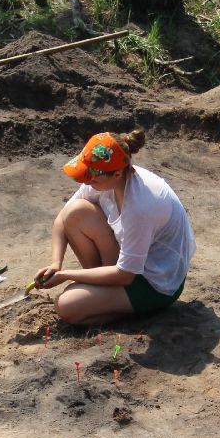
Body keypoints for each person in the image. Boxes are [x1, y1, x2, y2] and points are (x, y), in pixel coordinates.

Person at [35, 129, 195, 326]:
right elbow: (62, 219)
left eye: (92, 177)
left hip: (157, 282)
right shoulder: (107, 177)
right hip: (131, 264)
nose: (87, 181)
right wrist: (55, 264)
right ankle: (100, 293)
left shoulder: (141, 207)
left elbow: (126, 275)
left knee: (66, 306)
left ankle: (118, 307)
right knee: (75, 212)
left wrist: (66, 275)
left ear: (117, 173)